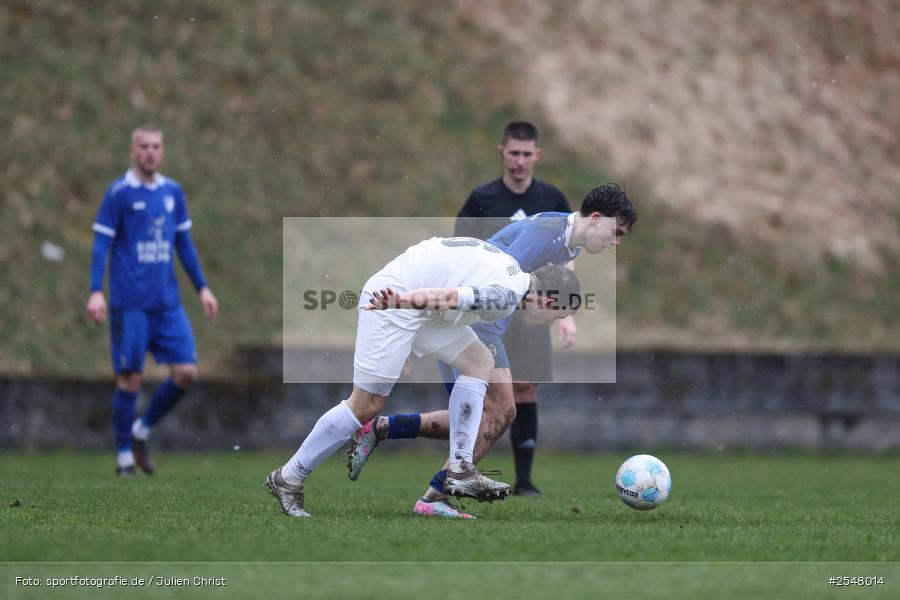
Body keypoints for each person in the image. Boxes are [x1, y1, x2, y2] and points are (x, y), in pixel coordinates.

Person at [347, 184, 636, 517]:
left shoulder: (570, 238)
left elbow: (551, 277)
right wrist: (418, 323)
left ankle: (385, 429)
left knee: (480, 416)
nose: (616, 243)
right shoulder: (546, 235)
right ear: (597, 220)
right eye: (617, 233)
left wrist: (564, 315)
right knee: (501, 411)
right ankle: (435, 496)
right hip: (477, 319)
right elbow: (496, 277)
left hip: (488, 317)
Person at [265, 237, 581, 518]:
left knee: (479, 361)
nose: (553, 323)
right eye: (560, 316)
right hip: (396, 299)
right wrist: (398, 302)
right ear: (550, 301)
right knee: (365, 406)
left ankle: (459, 467)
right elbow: (446, 297)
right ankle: (288, 478)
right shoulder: (506, 297)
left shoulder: (514, 271)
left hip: (417, 302)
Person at [86, 124, 218, 476]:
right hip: (130, 303)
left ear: (162, 151)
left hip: (167, 303)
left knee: (186, 371)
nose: (150, 152)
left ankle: (141, 430)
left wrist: (202, 287)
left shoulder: (172, 192)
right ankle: (124, 457)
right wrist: (96, 290)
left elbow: (183, 246)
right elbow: (101, 245)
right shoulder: (119, 193)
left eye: (156, 146)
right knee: (130, 378)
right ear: (133, 150)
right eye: (144, 146)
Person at [456, 120, 573, 495]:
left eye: (527, 154)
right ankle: (463, 469)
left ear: (537, 155)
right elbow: (461, 250)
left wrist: (566, 312)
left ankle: (524, 480)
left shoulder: (552, 199)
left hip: (534, 308)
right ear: (501, 153)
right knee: (482, 390)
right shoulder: (481, 199)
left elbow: (566, 258)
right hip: (491, 309)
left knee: (525, 391)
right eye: (514, 153)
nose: (520, 161)